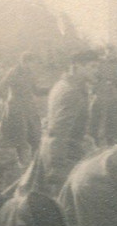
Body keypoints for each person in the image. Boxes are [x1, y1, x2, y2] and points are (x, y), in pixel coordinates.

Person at [20, 49, 100, 195]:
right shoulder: (71, 92)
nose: (97, 71)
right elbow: (58, 132)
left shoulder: (64, 84)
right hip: (64, 155)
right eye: (92, 67)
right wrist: (57, 167)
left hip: (58, 150)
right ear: (77, 67)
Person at [0, 52, 46, 166]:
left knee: (35, 137)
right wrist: (8, 102)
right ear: (25, 62)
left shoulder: (30, 73)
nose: (35, 66)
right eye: (34, 63)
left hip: (29, 108)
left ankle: (35, 166)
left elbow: (36, 91)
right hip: (16, 109)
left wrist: (51, 89)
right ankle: (22, 166)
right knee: (20, 139)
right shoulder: (13, 72)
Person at [89, 45, 117, 147]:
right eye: (108, 52)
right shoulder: (100, 63)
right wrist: (95, 89)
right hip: (100, 92)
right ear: (105, 52)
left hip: (112, 93)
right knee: (96, 116)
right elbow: (93, 77)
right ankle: (95, 140)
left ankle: (110, 140)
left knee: (112, 117)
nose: (110, 54)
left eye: (112, 52)